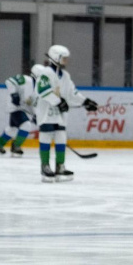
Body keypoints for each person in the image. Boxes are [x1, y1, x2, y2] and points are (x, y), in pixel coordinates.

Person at [34, 45, 98, 182]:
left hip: (60, 115)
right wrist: (58, 101)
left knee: (61, 138)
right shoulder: (46, 73)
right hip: (46, 114)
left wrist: (85, 102)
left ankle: (60, 167)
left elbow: (72, 93)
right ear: (55, 57)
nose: (66, 62)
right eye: (63, 59)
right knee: (45, 138)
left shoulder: (66, 76)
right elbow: (42, 89)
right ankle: (45, 166)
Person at [0, 66, 41, 157]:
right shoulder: (26, 80)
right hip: (15, 108)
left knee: (13, 129)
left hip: (21, 109)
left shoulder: (38, 90)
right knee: (26, 125)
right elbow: (10, 81)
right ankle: (16, 147)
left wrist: (35, 116)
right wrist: (14, 93)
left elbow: (31, 104)